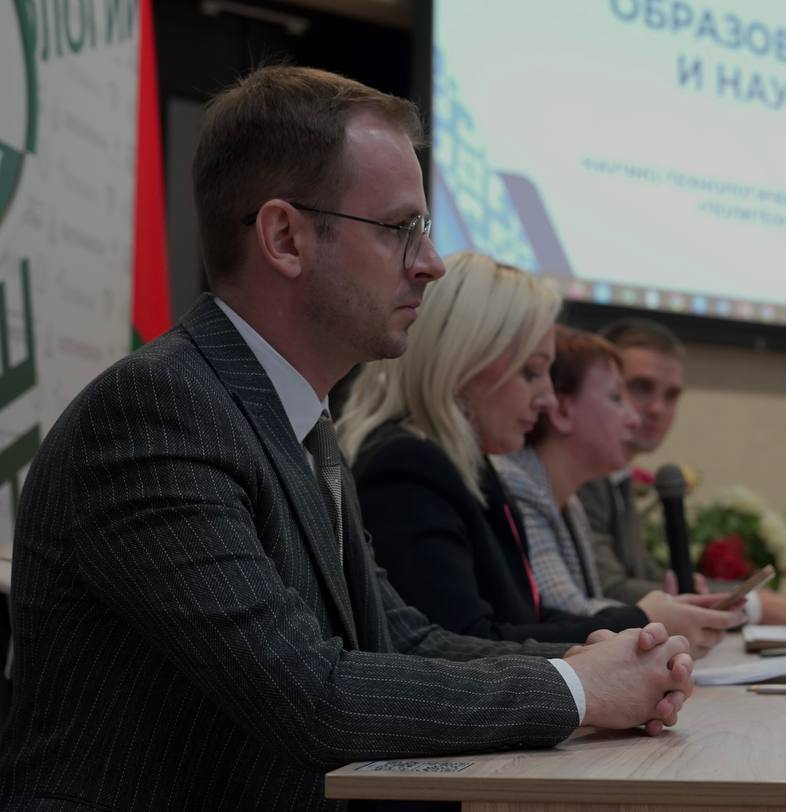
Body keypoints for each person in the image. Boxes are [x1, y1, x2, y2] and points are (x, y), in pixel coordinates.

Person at [0, 67, 693, 810]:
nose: (430, 264)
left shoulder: (297, 418)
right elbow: (310, 697)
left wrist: (600, 661)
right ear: (285, 238)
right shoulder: (159, 412)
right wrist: (574, 688)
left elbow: (398, 638)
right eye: (400, 229)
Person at [340, 251, 647, 642]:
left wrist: (633, 625)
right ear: (461, 363)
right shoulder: (406, 467)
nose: (547, 400)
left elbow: (527, 616)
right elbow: (463, 645)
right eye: (531, 373)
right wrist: (636, 622)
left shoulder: (473, 465)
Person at [493, 327, 743, 659]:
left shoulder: (571, 501)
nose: (633, 418)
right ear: (562, 411)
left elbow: (580, 607)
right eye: (616, 398)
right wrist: (650, 618)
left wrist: (664, 611)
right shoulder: (518, 485)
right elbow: (564, 614)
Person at [578, 318, 786, 625]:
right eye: (640, 387)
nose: (657, 408)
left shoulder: (617, 479)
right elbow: (608, 588)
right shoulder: (585, 477)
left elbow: (655, 580)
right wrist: (756, 606)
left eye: (671, 395)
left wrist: (749, 597)